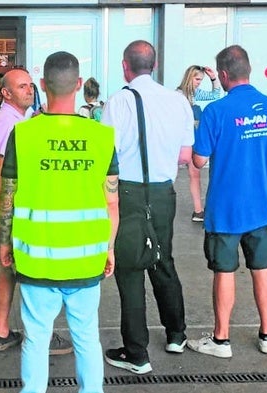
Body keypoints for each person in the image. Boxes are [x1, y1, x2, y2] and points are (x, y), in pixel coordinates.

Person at [0, 51, 119, 393]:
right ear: (79, 85)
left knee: (36, 339)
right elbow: (112, 201)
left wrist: (4, 244)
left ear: (41, 86)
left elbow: (7, 196)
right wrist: (109, 248)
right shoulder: (101, 136)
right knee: (86, 337)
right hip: (86, 257)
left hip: (37, 258)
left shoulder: (23, 135)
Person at [187, 45, 267, 358]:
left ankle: (221, 340)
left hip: (226, 210)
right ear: (250, 70)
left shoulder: (216, 111)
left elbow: (199, 161)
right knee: (263, 268)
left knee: (224, 272)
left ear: (224, 75)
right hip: (263, 208)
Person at [101, 40, 193, 374]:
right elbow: (185, 157)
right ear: (153, 65)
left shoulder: (120, 101)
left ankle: (136, 352)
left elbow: (106, 157)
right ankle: (176, 335)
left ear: (126, 65)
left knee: (129, 268)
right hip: (164, 192)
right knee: (161, 258)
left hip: (130, 191)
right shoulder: (178, 101)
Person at [0, 68, 73, 356]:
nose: (29, 90)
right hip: (16, 213)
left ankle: (1, 332)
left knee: (9, 271)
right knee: (24, 271)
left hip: (20, 210)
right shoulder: (6, 125)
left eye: (30, 85)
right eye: (21, 87)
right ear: (6, 93)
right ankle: (38, 334)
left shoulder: (22, 120)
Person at [177, 65, 221, 222]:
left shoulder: (195, 93)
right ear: (189, 77)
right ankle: (197, 209)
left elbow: (216, 94)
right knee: (190, 173)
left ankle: (199, 210)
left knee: (195, 172)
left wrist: (213, 78)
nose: (199, 83)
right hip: (185, 138)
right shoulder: (178, 95)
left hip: (195, 137)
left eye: (201, 80)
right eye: (197, 79)